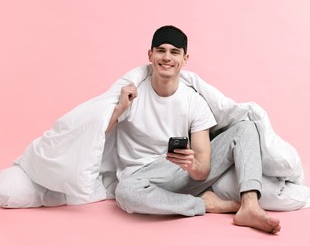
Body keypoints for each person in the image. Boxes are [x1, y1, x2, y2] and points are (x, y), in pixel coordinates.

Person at [106, 25, 281, 234]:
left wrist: (192, 165)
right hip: (140, 178)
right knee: (124, 192)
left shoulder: (194, 102)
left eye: (174, 52)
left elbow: (203, 169)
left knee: (247, 127)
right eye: (161, 50)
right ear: (150, 55)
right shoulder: (131, 95)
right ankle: (207, 204)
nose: (167, 57)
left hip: (179, 172)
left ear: (185, 59)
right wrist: (119, 110)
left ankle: (250, 205)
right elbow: (96, 135)